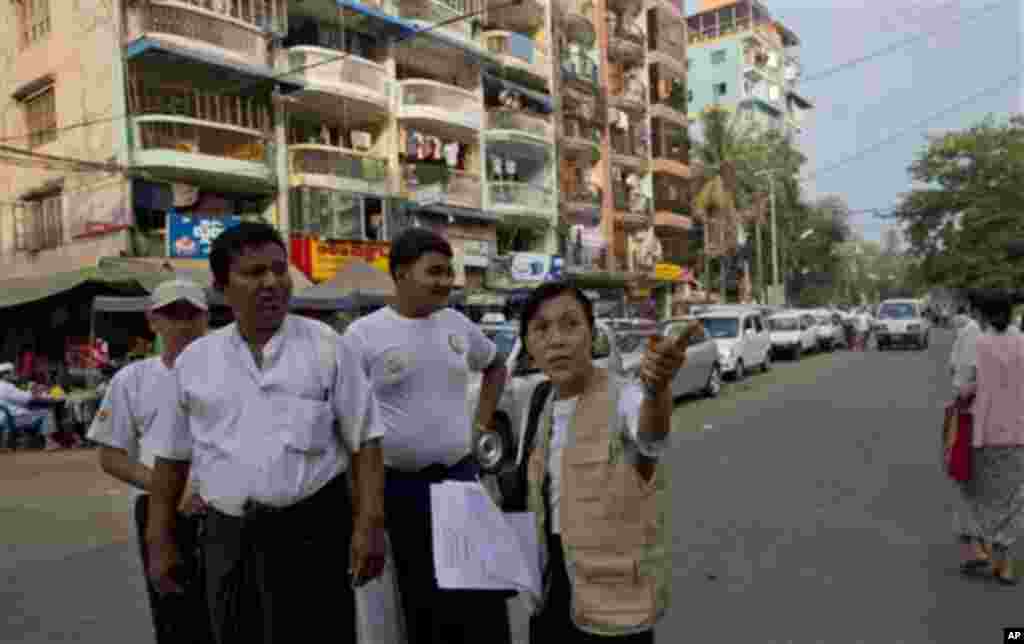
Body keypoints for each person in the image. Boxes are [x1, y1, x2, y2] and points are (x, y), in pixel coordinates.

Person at [144, 222, 387, 644]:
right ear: (222, 287)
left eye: (279, 269)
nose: (272, 282)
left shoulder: (327, 345)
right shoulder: (195, 362)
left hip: (315, 530)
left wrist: (370, 523)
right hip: (229, 535)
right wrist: (159, 538)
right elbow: (170, 458)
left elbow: (366, 440)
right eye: (254, 273)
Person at [344, 228, 510, 644]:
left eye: (448, 271)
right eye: (434, 271)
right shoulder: (363, 335)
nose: (446, 280)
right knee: (420, 599)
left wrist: (482, 425)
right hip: (401, 489)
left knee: (478, 594)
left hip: (460, 478)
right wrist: (364, 504)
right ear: (400, 273)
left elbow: (495, 365)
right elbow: (346, 419)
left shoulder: (457, 324)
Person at [516, 281, 693, 643]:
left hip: (616, 603)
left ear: (592, 335)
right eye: (541, 328)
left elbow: (650, 436)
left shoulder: (625, 395)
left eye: (570, 324)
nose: (557, 339)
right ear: (530, 347)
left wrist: (658, 391)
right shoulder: (539, 400)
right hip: (552, 593)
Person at [86, 279, 215, 644]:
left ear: (207, 318)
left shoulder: (233, 373)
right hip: (161, 510)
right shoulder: (133, 379)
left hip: (228, 510)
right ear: (152, 321)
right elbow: (110, 456)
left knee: (234, 618)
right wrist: (171, 491)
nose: (183, 324)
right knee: (176, 621)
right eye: (171, 314)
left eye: (192, 314)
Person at [954, 291, 1024, 585]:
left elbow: (964, 389)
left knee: (976, 494)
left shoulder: (979, 344)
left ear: (984, 314)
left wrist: (966, 391)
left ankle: (979, 550)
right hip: (1018, 433)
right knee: (1012, 499)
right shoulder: (1023, 342)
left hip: (983, 434)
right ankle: (1005, 563)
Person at [0, 364, 62, 450]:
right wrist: (51, 400)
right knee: (46, 412)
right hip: (12, 418)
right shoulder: (7, 387)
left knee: (37, 410)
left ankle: (37, 441)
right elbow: (28, 399)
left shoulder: (6, 386)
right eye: (12, 372)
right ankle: (49, 442)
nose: (15, 374)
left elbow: (25, 397)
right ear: (5, 375)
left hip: (5, 417)